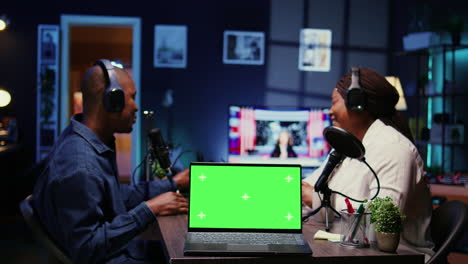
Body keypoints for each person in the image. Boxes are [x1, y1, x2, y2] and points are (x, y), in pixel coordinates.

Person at [32, 60, 189, 264]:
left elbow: (115, 197)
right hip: (110, 258)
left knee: (180, 249)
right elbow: (87, 248)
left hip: (118, 252)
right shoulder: (80, 165)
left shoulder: (87, 142)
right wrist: (149, 209)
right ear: (112, 101)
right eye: (132, 97)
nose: (136, 107)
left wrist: (173, 183)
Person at [301, 68, 433, 251]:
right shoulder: (346, 148)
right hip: (347, 249)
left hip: (396, 257)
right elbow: (306, 188)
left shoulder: (394, 150)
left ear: (357, 103)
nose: (330, 111)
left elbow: (381, 224)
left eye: (334, 103)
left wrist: (317, 199)